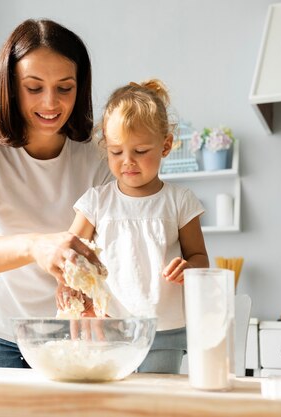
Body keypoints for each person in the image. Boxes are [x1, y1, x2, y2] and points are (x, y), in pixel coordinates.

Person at [0, 18, 113, 367]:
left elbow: (106, 247)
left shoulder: (97, 158)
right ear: (10, 86)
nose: (51, 103)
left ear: (80, 87)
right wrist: (36, 245)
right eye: (34, 87)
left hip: (68, 334)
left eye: (65, 88)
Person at [58, 79, 209, 374]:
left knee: (155, 401)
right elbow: (68, 255)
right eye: (116, 152)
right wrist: (69, 287)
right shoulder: (96, 202)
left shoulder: (180, 201)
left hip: (164, 330)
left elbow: (200, 258)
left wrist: (189, 269)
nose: (128, 161)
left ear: (166, 145)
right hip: (107, 325)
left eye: (140, 151)